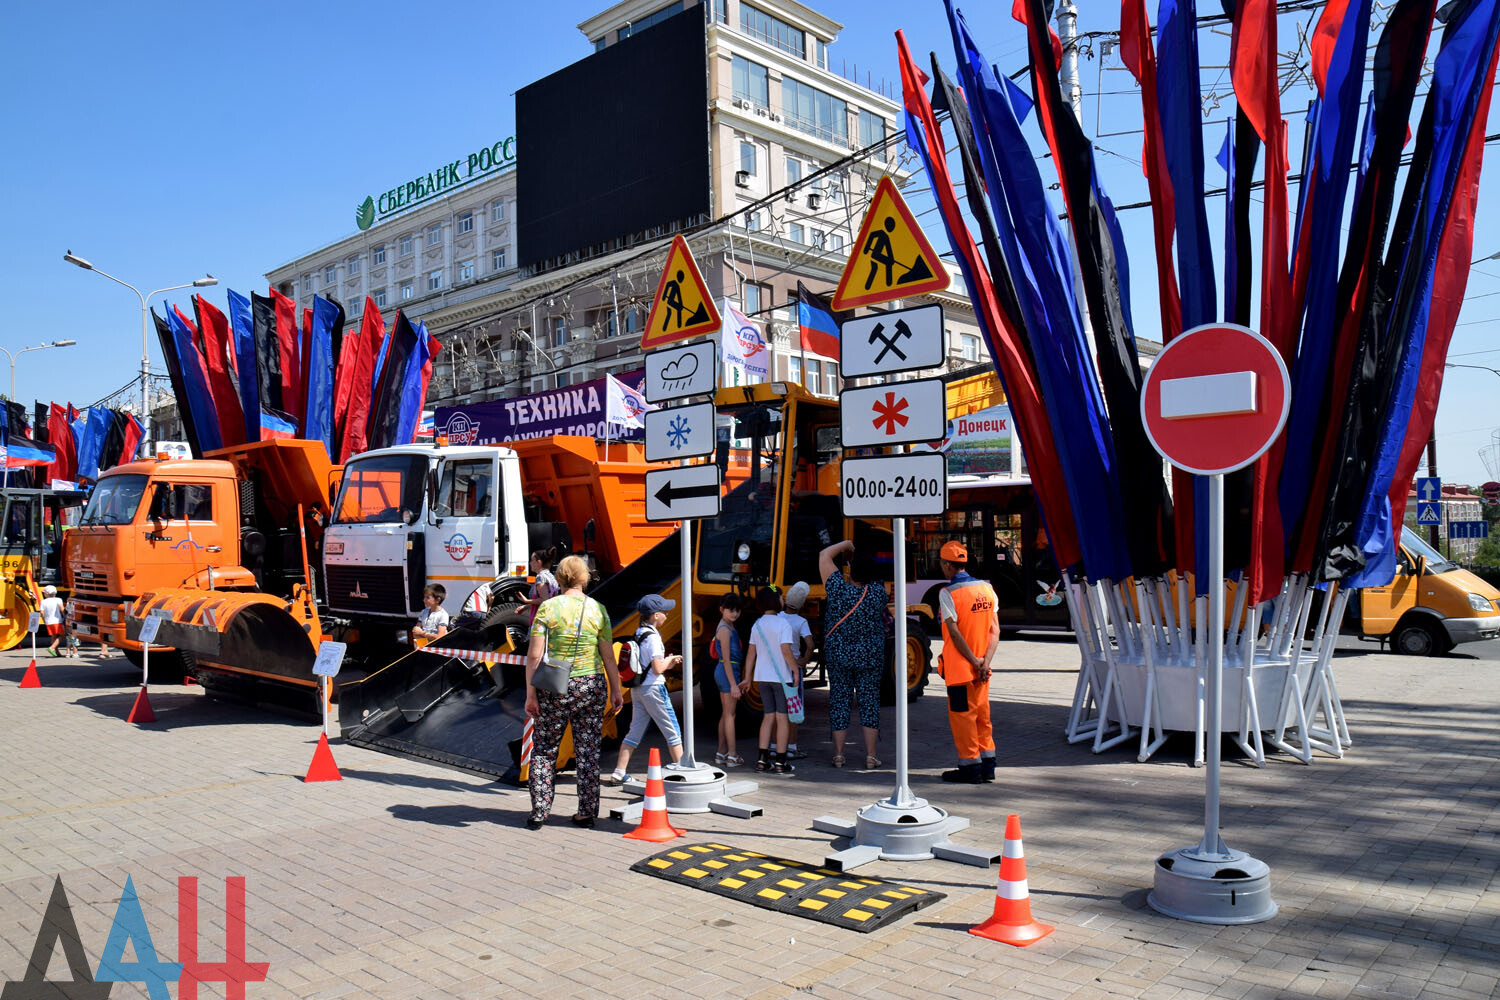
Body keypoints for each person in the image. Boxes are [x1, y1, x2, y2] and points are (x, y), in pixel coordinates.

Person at [524, 555, 623, 829]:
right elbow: (608, 657)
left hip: (554, 687)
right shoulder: (598, 610)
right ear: (584, 578)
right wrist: (616, 690)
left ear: (559, 578)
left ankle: (539, 811)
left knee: (544, 750)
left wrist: (531, 694)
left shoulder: (548, 609)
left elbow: (534, 656)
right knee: (588, 751)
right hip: (591, 686)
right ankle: (586, 813)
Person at [818, 540, 886, 769]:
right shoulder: (878, 593)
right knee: (869, 703)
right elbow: (872, 578)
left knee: (839, 701)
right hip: (869, 657)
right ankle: (871, 755)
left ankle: (838, 755)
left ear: (851, 571)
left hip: (839, 656)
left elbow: (824, 556)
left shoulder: (837, 589)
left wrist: (847, 544)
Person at [603, 595, 684, 785]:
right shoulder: (654, 637)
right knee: (673, 731)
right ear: (655, 615)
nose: (666, 615)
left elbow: (649, 665)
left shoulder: (639, 632)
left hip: (638, 689)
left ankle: (619, 772)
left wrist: (667, 662)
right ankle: (684, 773)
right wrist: (670, 660)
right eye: (664, 612)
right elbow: (657, 668)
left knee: (634, 732)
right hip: (654, 689)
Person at [937, 541, 1000, 783]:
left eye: (942, 565)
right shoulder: (987, 588)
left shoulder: (948, 593)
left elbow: (954, 632)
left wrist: (973, 660)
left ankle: (970, 767)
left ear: (946, 565)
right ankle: (988, 765)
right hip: (983, 670)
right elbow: (995, 630)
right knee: (983, 717)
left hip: (960, 670)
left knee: (963, 718)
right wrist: (985, 662)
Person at [741, 588, 798, 775]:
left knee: (767, 717)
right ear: (776, 601)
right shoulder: (783, 624)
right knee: (782, 719)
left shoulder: (757, 625)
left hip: (762, 678)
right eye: (781, 597)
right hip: (781, 677)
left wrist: (747, 677)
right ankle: (780, 761)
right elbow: (786, 651)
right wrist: (796, 670)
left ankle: (762, 759)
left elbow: (751, 654)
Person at [780, 581, 814, 760]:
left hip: (778, 669)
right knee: (794, 709)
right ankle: (792, 747)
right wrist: (803, 661)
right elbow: (810, 644)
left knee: (779, 710)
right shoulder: (801, 621)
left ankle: (774, 746)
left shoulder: (778, 617)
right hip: (794, 669)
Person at [711, 593, 745, 767]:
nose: (734, 614)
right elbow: (725, 659)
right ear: (722, 609)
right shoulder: (724, 629)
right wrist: (733, 685)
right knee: (730, 715)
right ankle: (732, 755)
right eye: (731, 610)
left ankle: (721, 752)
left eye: (737, 610)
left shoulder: (726, 626)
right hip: (728, 671)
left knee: (726, 714)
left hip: (727, 671)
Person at [520, 548, 559, 624]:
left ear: (539, 562)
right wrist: (526, 607)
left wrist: (526, 601)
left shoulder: (541, 577)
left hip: (540, 622)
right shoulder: (550, 576)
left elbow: (544, 600)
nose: (530, 563)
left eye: (532, 560)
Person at [39, 586, 65, 657]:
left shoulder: (43, 601)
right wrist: (65, 617)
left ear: (47, 594)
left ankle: (57, 653)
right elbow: (62, 609)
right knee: (62, 636)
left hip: (48, 622)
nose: (44, 594)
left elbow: (41, 612)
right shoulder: (58, 600)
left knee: (54, 636)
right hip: (57, 621)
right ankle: (52, 648)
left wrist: (44, 620)